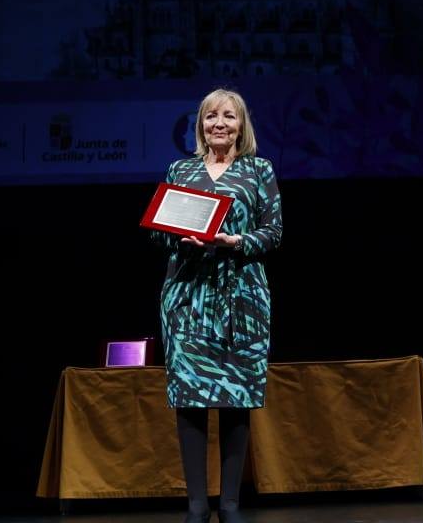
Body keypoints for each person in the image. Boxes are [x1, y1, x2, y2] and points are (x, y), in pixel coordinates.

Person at [148, 88, 282, 523]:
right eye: (210, 117)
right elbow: (159, 230)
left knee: (236, 397)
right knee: (190, 398)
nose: (219, 124)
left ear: (242, 125)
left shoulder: (258, 170)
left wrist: (238, 241)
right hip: (189, 296)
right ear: (200, 125)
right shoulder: (180, 169)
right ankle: (196, 505)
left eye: (228, 116)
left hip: (242, 297)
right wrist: (178, 237)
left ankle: (229, 505)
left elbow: (273, 232)